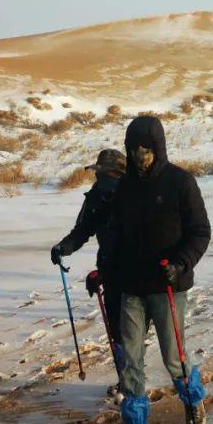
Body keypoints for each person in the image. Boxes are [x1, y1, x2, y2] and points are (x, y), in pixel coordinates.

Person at [107, 116, 210, 424]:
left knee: (174, 357)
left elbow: (200, 231)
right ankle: (136, 422)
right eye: (134, 149)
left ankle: (193, 402)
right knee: (130, 358)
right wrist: (105, 270)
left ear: (159, 148)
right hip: (131, 286)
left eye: (147, 149)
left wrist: (180, 263)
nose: (140, 156)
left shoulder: (180, 182)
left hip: (167, 285)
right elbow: (116, 236)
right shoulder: (124, 187)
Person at [50, 148, 127, 394]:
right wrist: (64, 247)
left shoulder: (136, 193)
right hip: (111, 271)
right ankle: (127, 381)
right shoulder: (95, 197)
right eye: (99, 173)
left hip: (140, 271)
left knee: (135, 331)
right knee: (119, 332)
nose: (100, 178)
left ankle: (136, 380)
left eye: (104, 173)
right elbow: (83, 229)